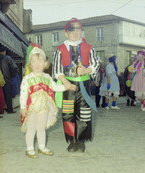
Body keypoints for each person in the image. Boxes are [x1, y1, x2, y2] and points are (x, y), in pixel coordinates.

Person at [53, 18, 99, 152]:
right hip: (68, 86)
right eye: (72, 30)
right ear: (66, 33)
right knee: (68, 113)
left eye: (78, 30)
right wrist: (66, 83)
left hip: (83, 85)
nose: (75, 33)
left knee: (84, 113)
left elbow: (95, 64)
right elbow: (57, 70)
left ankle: (80, 140)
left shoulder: (89, 48)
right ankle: (71, 140)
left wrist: (86, 70)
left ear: (81, 31)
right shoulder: (60, 50)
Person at [20, 46, 71, 159]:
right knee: (31, 128)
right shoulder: (27, 78)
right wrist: (23, 107)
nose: (37, 64)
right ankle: (29, 148)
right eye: (34, 61)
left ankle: (42, 147)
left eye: (40, 61)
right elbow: (23, 93)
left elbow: (55, 87)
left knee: (41, 128)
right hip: (31, 108)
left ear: (45, 64)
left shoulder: (47, 77)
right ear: (30, 64)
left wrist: (66, 86)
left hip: (44, 107)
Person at [0, 46, 18, 113]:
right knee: (8, 95)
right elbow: (14, 67)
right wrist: (12, 75)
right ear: (4, 52)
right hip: (6, 78)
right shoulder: (8, 58)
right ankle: (9, 109)